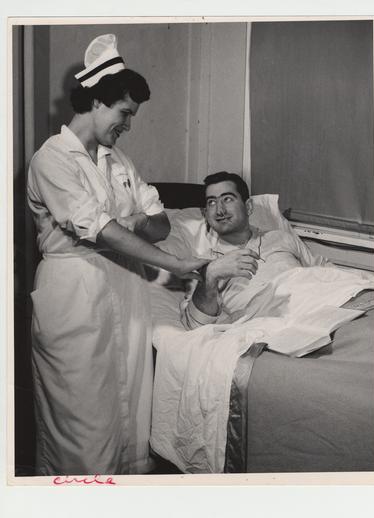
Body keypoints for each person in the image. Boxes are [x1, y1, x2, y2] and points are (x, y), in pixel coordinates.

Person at [27, 34, 206, 476]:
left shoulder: (119, 161)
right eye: (125, 113)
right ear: (96, 101)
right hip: (75, 297)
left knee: (128, 417)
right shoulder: (53, 159)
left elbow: (160, 221)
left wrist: (140, 223)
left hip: (125, 294)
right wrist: (176, 263)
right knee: (82, 421)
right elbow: (100, 231)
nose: (128, 123)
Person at [181, 171, 334, 330]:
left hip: (319, 310)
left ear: (248, 207)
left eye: (227, 199)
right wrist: (210, 275)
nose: (220, 210)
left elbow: (326, 271)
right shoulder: (203, 266)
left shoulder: (281, 238)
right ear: (205, 214)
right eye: (212, 202)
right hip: (276, 330)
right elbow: (195, 326)